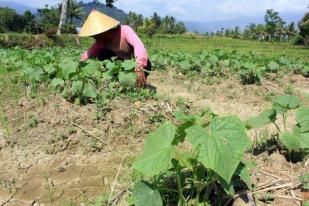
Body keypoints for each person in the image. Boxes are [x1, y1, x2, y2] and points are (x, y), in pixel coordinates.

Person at [79, 10, 150, 87]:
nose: (93, 37)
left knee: (147, 64)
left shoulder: (124, 30)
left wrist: (140, 65)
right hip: (119, 68)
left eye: (95, 35)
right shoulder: (101, 41)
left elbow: (139, 46)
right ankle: (114, 80)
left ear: (103, 31)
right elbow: (87, 55)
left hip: (133, 65)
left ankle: (138, 81)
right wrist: (79, 66)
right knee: (102, 53)